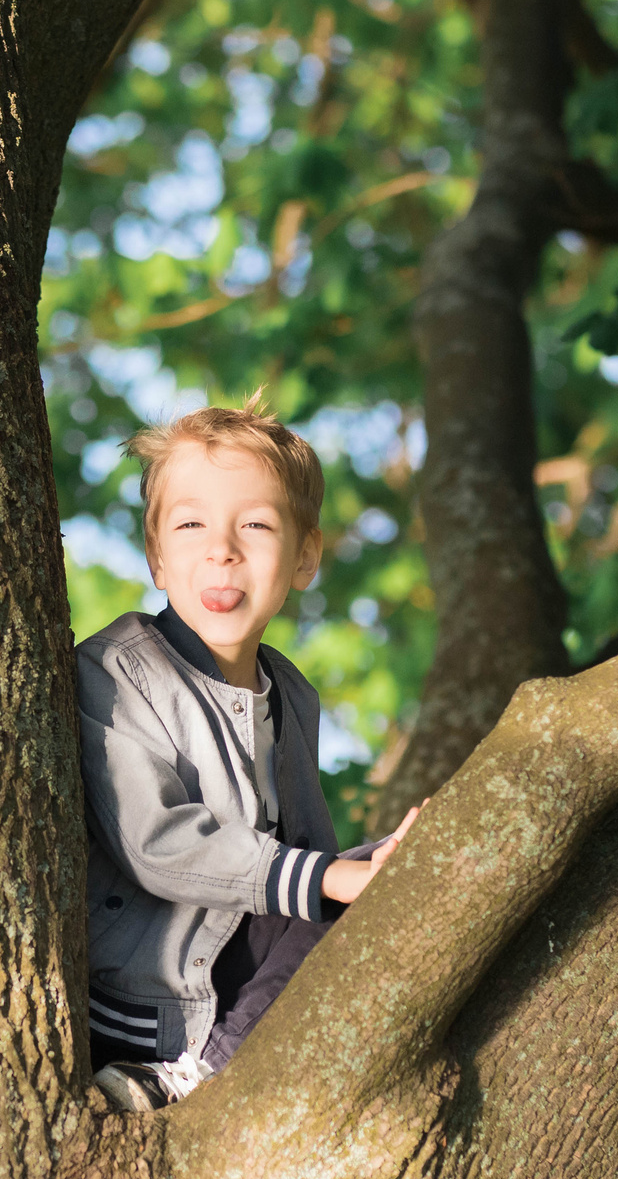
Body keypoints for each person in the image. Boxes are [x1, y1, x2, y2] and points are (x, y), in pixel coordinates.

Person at [76, 401, 417, 1113]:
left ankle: (232, 1061)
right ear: (156, 554)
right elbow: (155, 844)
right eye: (191, 523)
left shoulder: (291, 695)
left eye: (255, 526)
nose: (222, 549)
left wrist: (374, 871)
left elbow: (306, 849)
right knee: (339, 882)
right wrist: (331, 878)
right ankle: (191, 1076)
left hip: (233, 977)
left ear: (305, 556)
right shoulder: (120, 670)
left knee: (414, 860)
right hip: (141, 1001)